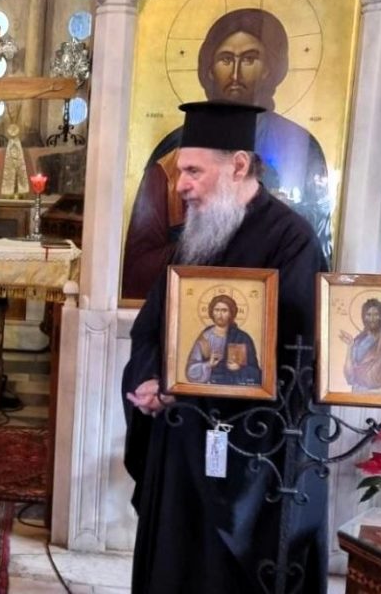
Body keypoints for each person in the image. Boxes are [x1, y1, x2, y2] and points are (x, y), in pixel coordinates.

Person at [123, 101, 328, 593]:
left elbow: (299, 357)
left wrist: (205, 388)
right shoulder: (194, 239)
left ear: (238, 165)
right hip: (181, 440)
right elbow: (151, 328)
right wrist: (149, 378)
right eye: (179, 173)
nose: (181, 186)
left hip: (253, 459)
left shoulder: (291, 240)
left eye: (193, 171)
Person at [122, 8, 330, 299]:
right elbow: (137, 271)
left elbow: (312, 275)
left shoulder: (301, 147)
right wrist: (202, 242)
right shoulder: (168, 160)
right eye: (225, 59)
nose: (235, 74)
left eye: (249, 59)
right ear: (208, 68)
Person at [185, 294, 261, 386]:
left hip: (235, 390)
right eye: (217, 310)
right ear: (211, 312)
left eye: (224, 310)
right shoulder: (205, 338)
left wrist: (239, 368)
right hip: (209, 390)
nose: (220, 315)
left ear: (231, 313)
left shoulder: (242, 338)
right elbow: (190, 372)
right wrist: (208, 364)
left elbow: (257, 375)